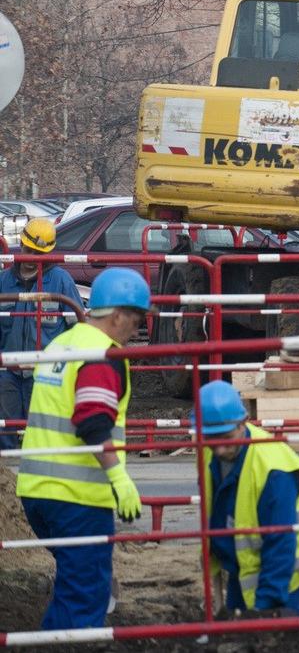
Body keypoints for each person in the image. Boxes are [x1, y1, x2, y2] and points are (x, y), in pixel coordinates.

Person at [16, 267, 152, 630]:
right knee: (82, 596)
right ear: (119, 315)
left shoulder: (62, 343)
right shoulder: (103, 356)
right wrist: (120, 480)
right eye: (137, 320)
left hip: (36, 489)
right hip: (77, 496)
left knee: (81, 579)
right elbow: (92, 423)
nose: (137, 330)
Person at [197, 381, 299, 618]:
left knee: (275, 636)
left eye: (225, 439)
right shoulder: (214, 448)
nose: (218, 451)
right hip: (243, 562)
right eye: (211, 440)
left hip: (288, 568)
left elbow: (280, 542)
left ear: (243, 422)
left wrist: (265, 606)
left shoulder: (273, 469)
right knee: (240, 635)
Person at [1, 218, 82, 451]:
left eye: (38, 252)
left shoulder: (60, 281)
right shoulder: (4, 282)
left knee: (43, 429)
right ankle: (8, 475)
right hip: (9, 370)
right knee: (6, 427)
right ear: (21, 246)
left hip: (46, 370)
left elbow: (76, 326)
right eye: (29, 250)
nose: (32, 257)